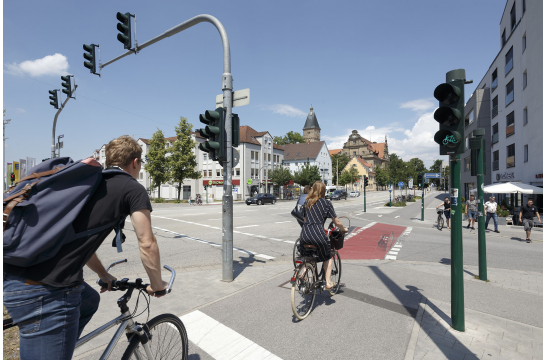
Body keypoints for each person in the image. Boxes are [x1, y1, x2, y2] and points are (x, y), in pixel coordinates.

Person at [3, 135, 168, 360]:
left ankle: (60, 344)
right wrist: (157, 285)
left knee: (89, 300)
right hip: (48, 293)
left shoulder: (86, 184)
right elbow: (147, 244)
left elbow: (78, 238)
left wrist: (103, 274)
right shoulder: (131, 188)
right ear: (136, 162)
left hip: (15, 276)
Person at [300, 181, 347, 290]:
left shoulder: (307, 202)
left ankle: (303, 273)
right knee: (328, 256)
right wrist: (343, 229)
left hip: (304, 233)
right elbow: (336, 221)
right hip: (318, 234)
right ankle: (328, 282)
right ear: (324, 191)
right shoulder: (326, 203)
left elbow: (305, 220)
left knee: (309, 256)